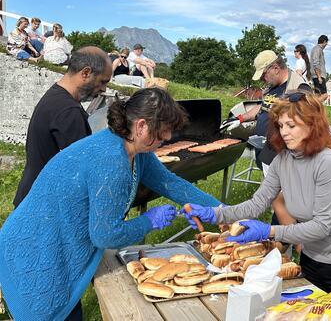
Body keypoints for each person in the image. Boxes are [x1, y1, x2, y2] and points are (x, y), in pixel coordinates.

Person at [0, 88, 223, 321]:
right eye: (164, 131)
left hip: (43, 238)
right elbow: (105, 235)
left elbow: (170, 183)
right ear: (141, 126)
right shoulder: (112, 163)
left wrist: (222, 212)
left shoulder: (135, 149)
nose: (167, 138)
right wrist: (149, 221)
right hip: (36, 249)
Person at [183, 91, 331, 292]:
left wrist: (270, 231)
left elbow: (322, 226)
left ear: (312, 125)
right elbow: (257, 204)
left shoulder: (328, 163)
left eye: (291, 126)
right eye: (281, 125)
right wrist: (215, 213)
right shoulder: (283, 160)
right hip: (311, 259)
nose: (284, 132)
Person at [13, 47, 113, 207]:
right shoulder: (68, 111)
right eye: (103, 81)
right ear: (86, 73)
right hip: (43, 204)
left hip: (33, 194)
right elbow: (83, 169)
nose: (104, 89)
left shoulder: (56, 96)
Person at [220, 50, 311, 173]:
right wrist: (239, 119)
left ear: (275, 68)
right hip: (265, 149)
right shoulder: (271, 87)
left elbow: (305, 121)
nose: (263, 79)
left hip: (282, 154)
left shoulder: (299, 86)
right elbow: (261, 107)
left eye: (264, 75)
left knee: (281, 189)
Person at [310, 35, 329, 102]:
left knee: (317, 95)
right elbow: (316, 63)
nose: (326, 44)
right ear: (324, 42)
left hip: (316, 75)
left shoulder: (317, 49)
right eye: (326, 43)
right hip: (318, 75)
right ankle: (311, 107)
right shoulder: (317, 49)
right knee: (325, 95)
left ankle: (314, 111)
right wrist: (319, 76)